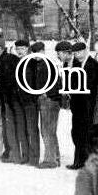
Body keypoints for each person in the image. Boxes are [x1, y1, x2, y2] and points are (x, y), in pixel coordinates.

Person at [67, 41, 98, 169]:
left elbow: (94, 87)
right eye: (75, 53)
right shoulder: (74, 64)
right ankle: (78, 161)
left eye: (79, 52)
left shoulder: (94, 65)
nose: (77, 55)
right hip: (77, 106)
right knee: (76, 133)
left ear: (86, 50)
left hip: (88, 106)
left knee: (87, 134)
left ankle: (87, 163)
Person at [35, 41, 63, 169]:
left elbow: (56, 83)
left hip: (49, 100)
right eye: (34, 52)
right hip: (48, 100)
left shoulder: (47, 64)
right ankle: (55, 157)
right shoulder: (40, 64)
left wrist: (46, 93)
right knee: (49, 130)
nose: (36, 55)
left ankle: (50, 160)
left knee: (47, 130)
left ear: (43, 51)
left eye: (38, 52)